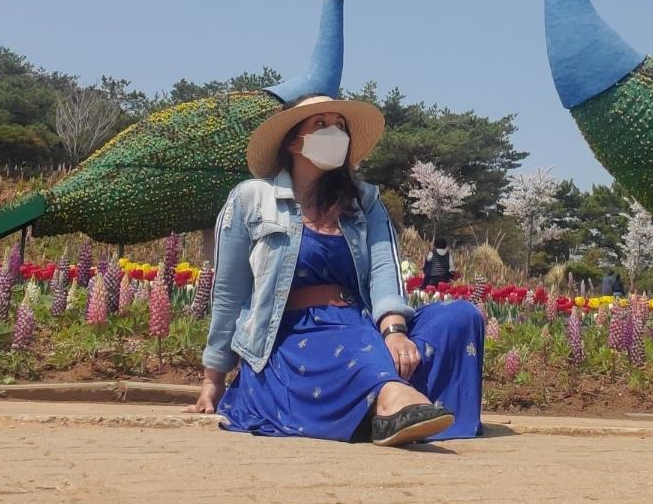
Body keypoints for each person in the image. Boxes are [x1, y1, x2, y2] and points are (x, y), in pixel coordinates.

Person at [186, 94, 484, 446]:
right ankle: (390, 400)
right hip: (291, 338)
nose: (335, 133)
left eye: (340, 126)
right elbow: (228, 292)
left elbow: (384, 268)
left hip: (358, 323)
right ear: (294, 140)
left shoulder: (364, 201)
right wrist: (213, 380)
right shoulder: (251, 199)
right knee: (349, 340)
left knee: (460, 317)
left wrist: (393, 331)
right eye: (321, 125)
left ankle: (373, 409)